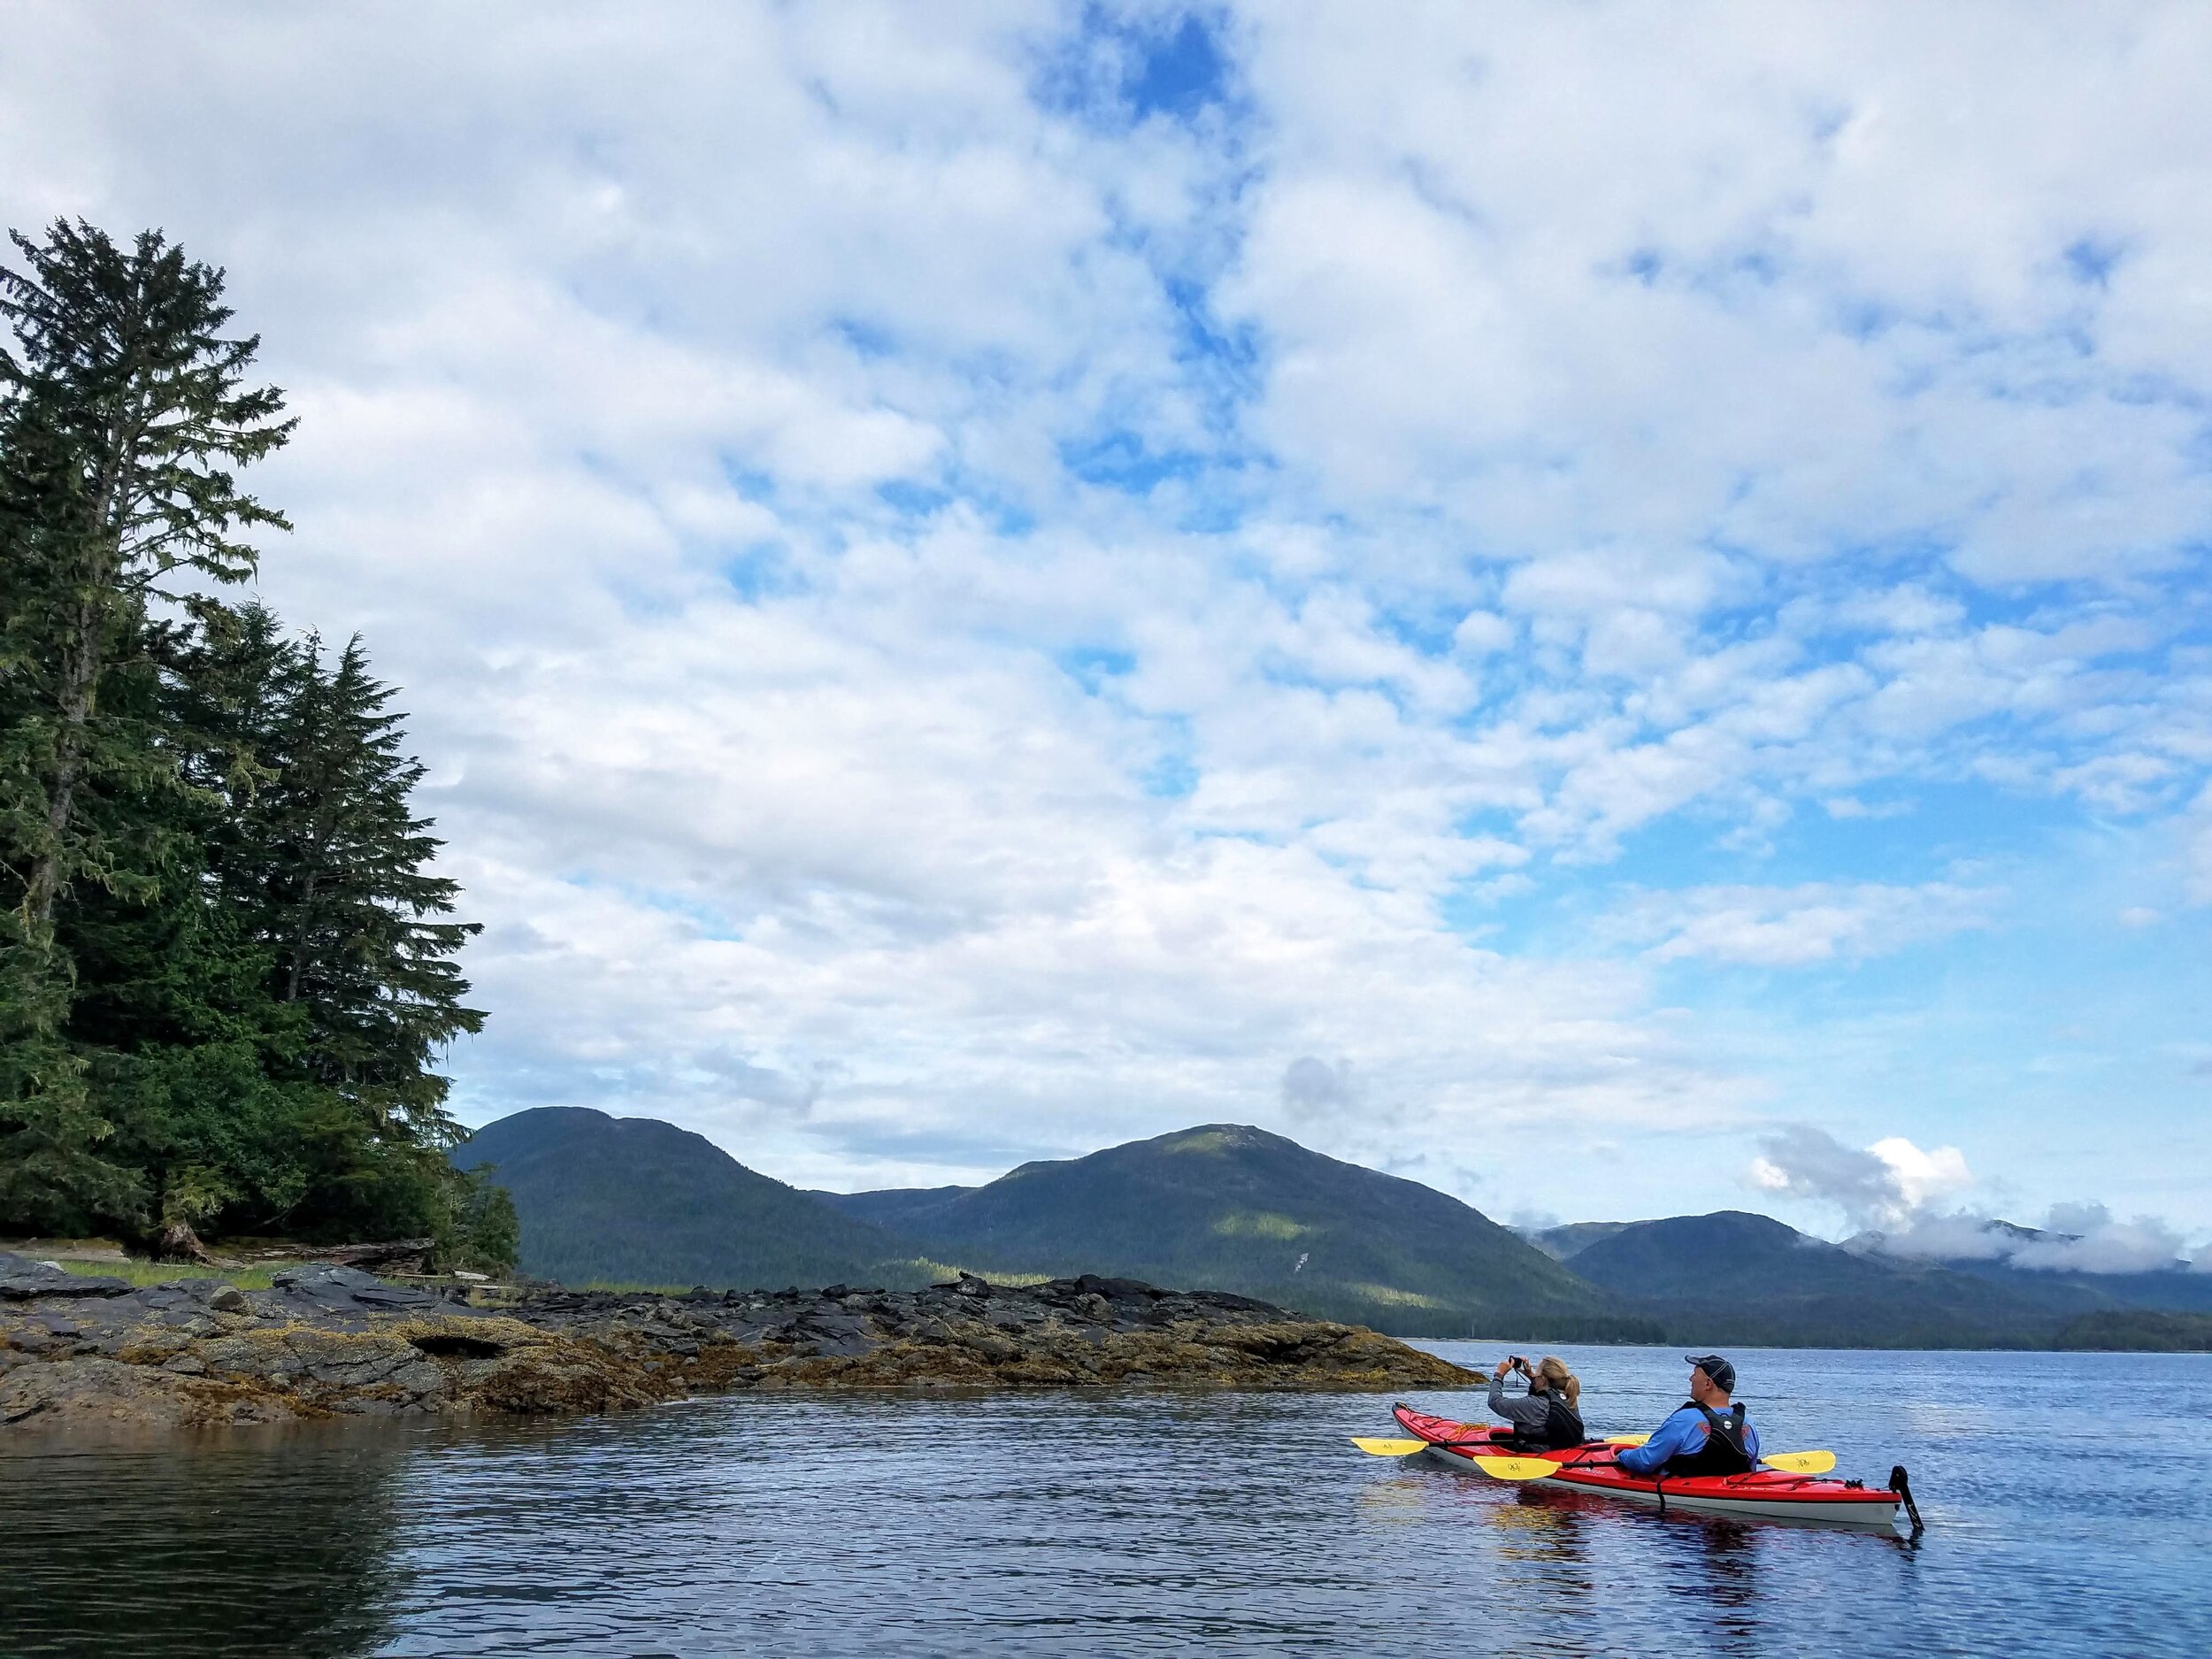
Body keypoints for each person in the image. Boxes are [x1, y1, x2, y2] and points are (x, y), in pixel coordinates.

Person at [1614, 1354, 1762, 1479]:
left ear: (1707, 1384)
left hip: (1680, 1501)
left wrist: (1622, 1456)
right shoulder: (1748, 1424)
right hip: (1729, 1492)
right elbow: (1751, 1471)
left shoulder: (1684, 1420)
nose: (1690, 1379)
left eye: (1695, 1375)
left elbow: (1645, 1462)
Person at [1486, 1354, 1586, 1449]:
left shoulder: (1534, 1404)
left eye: (1537, 1374)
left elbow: (1495, 1402)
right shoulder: (1568, 1398)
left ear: (1543, 1379)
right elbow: (1547, 1388)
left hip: (1539, 1455)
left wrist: (1499, 1376)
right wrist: (1531, 1375)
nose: (1535, 1376)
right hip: (1564, 1450)